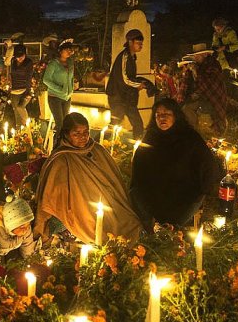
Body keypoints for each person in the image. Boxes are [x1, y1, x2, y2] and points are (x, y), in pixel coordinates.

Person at [34, 112, 144, 244]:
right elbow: (52, 197)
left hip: (110, 204)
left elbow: (114, 181)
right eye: (77, 134)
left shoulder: (97, 150)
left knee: (132, 224)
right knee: (102, 235)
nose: (83, 137)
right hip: (82, 211)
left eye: (86, 132)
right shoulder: (60, 159)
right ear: (66, 134)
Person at [130, 98, 224, 228]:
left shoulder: (190, 137)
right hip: (154, 192)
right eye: (158, 115)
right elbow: (139, 168)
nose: (162, 118)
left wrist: (204, 189)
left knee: (175, 217)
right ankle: (150, 229)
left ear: (175, 116)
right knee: (137, 197)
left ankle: (171, 230)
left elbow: (207, 165)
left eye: (166, 114)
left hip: (184, 193)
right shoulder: (151, 137)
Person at [107, 29, 146, 139]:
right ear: (130, 42)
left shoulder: (132, 57)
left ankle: (137, 149)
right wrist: (137, 85)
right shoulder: (124, 56)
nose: (141, 46)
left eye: (141, 43)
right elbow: (123, 78)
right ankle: (102, 147)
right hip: (117, 97)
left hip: (126, 97)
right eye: (138, 43)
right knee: (115, 125)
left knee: (138, 124)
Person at [181, 44, 228, 137]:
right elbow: (192, 84)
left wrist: (195, 72)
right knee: (186, 109)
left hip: (213, 99)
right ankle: (196, 133)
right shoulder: (199, 66)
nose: (195, 57)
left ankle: (202, 133)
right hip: (202, 99)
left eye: (197, 55)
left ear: (205, 54)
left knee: (200, 116)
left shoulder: (213, 65)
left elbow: (208, 84)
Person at [0, 196, 40, 261]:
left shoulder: (26, 228)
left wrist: (30, 262)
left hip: (8, 252)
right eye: (22, 226)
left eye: (28, 224)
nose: (26, 229)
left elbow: (28, 249)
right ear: (11, 225)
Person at [42, 39, 76, 138]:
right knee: (60, 124)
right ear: (60, 51)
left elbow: (71, 77)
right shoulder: (53, 63)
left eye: (70, 50)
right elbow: (46, 80)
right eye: (67, 50)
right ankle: (57, 145)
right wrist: (60, 89)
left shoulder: (70, 63)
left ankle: (64, 144)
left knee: (66, 124)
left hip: (67, 97)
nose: (69, 52)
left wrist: (71, 89)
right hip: (55, 97)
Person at [9, 44, 34, 128]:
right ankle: (19, 133)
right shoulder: (13, 61)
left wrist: (28, 92)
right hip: (14, 90)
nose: (19, 58)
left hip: (24, 89)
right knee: (16, 113)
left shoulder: (28, 62)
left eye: (21, 56)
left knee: (20, 107)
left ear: (25, 54)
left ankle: (28, 127)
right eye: (17, 56)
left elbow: (29, 77)